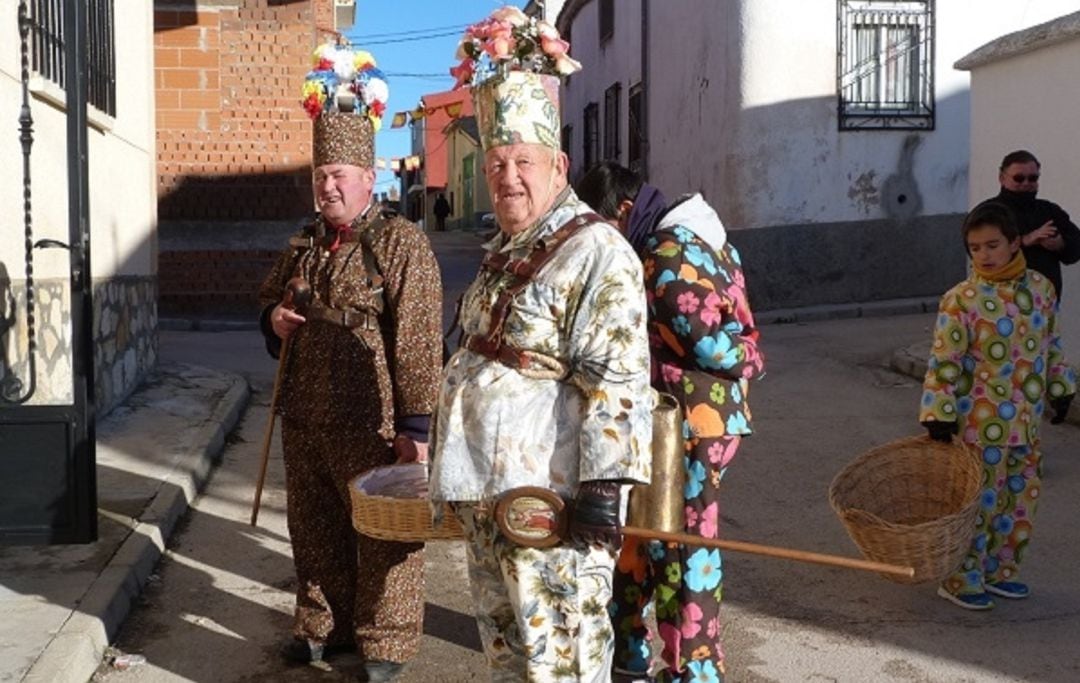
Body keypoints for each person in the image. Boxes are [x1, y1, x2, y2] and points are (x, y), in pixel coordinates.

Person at [429, 7, 653, 681]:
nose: (506, 178)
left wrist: (604, 491)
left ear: (558, 163)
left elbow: (618, 377)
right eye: (496, 163)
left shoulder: (595, 251)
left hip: (553, 509)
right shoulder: (504, 251)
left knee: (562, 660)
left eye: (522, 161)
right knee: (508, 656)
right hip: (489, 496)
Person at [257, 42, 442, 681]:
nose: (328, 187)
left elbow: (418, 337)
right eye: (320, 176)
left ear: (369, 178)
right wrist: (275, 321)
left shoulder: (400, 242)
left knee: (384, 533)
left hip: (373, 419)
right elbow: (269, 312)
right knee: (313, 528)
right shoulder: (303, 243)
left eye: (339, 176)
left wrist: (416, 431)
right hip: (305, 414)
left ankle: (385, 642)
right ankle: (321, 626)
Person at [577, 162, 766, 682]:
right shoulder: (705, 239)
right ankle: (633, 649)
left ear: (621, 210)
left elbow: (702, 340)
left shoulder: (666, 252)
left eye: (601, 224)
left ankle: (693, 668)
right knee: (644, 530)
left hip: (688, 419)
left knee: (683, 543)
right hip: (687, 418)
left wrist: (749, 359)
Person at [920, 202, 1076, 611]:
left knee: (1019, 500)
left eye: (992, 245)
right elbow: (945, 360)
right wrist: (939, 411)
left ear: (1013, 243)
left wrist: (1061, 386)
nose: (984, 255)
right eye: (975, 248)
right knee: (980, 503)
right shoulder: (962, 299)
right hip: (978, 424)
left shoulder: (1040, 290)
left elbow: (1051, 344)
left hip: (1026, 421)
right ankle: (961, 577)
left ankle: (998, 572)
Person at [979, 150, 1080, 298]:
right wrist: (1026, 240)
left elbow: (1075, 250)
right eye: (1019, 178)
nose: (1026, 183)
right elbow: (980, 254)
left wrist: (1060, 244)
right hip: (1000, 300)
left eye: (1032, 178)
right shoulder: (988, 212)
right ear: (1002, 178)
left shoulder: (1049, 210)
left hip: (1044, 302)